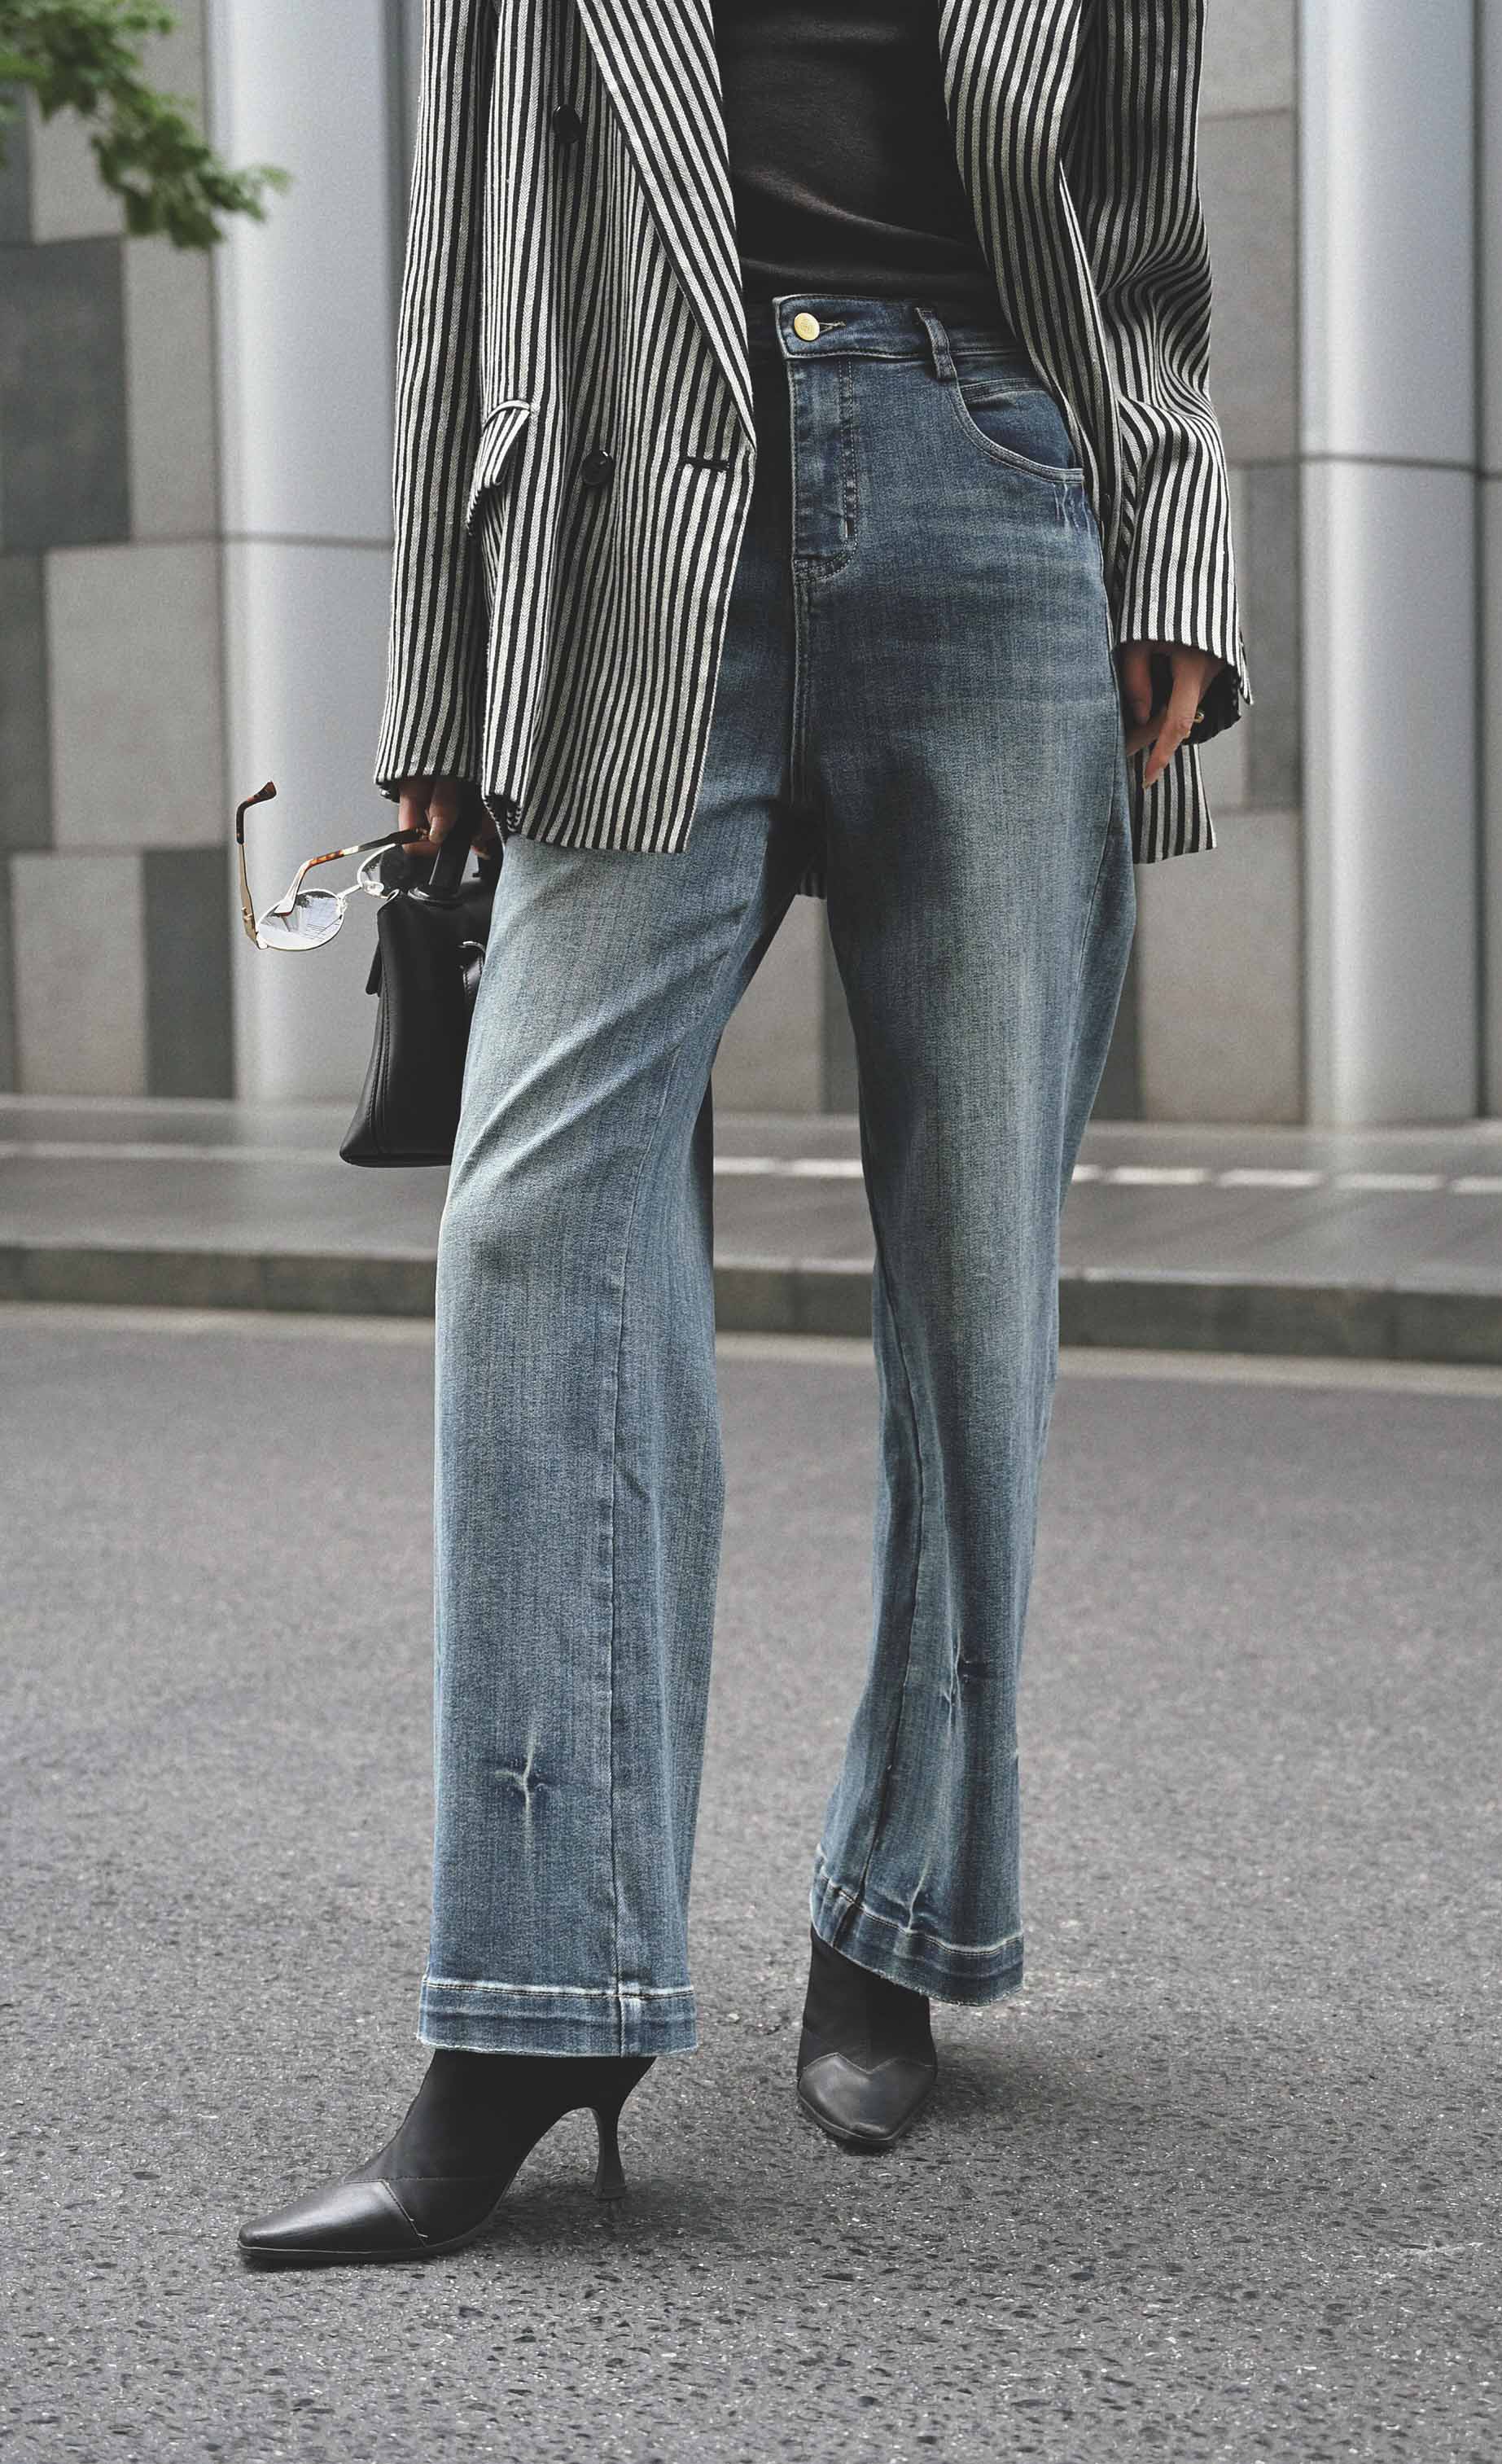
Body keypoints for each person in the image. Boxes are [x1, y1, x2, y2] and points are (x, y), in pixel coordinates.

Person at [239, 0, 1250, 2267]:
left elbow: (1138, 206)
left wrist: (1175, 537)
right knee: (535, 1229)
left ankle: (898, 1911)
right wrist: (437, 679)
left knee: (971, 1275)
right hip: (630, 521)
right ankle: (540, 2001)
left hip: (993, 480)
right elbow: (467, 241)